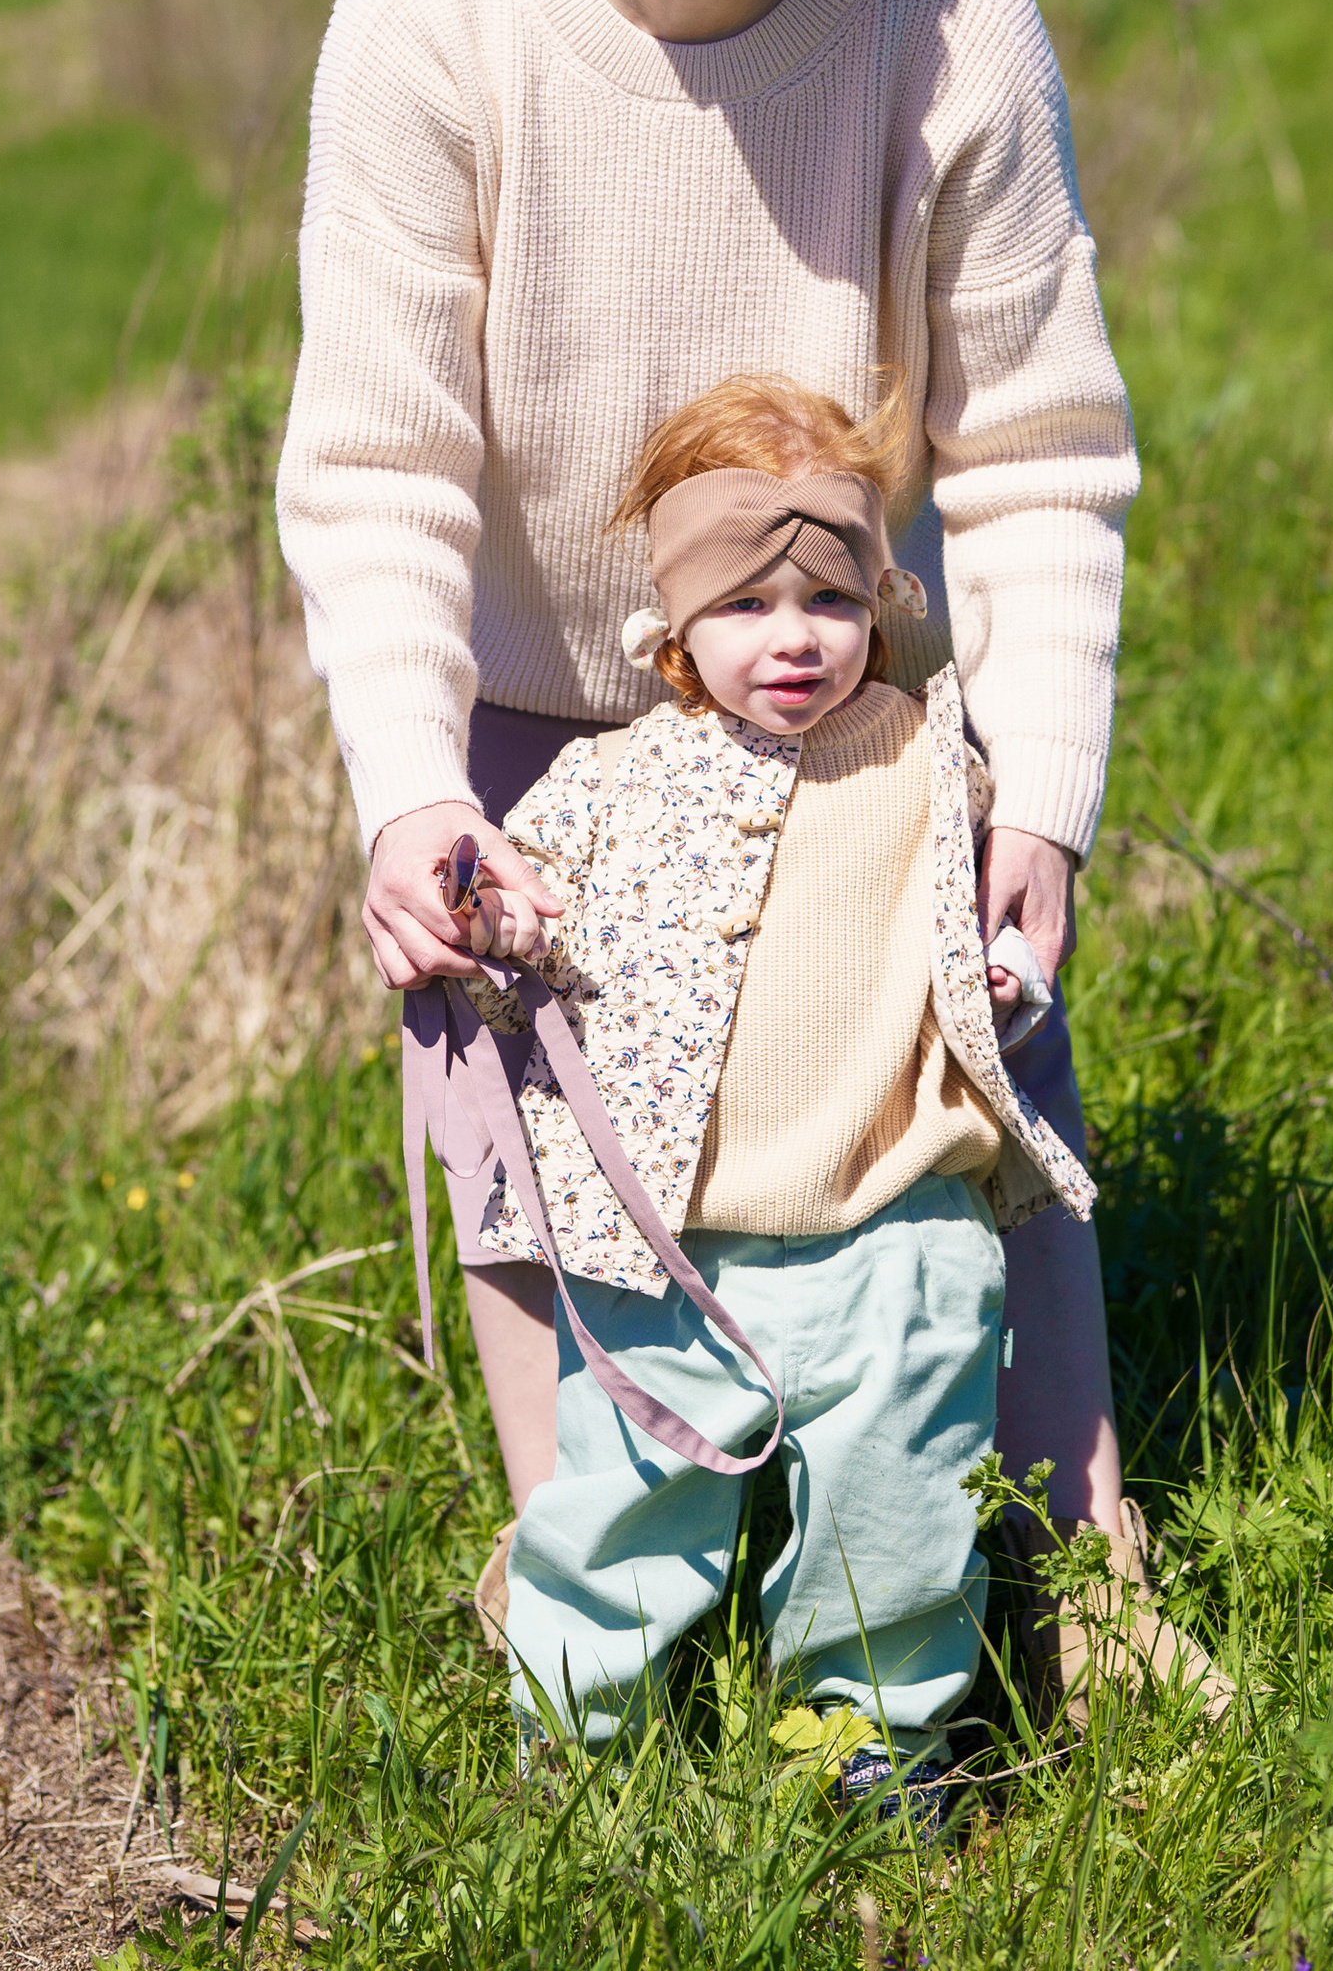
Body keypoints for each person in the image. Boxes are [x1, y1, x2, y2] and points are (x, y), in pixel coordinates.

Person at [276, 0, 1184, 1703]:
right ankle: (585, 1578)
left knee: (980, 1069)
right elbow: (379, 462)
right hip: (543, 686)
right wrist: (414, 795)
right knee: (515, 1103)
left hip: (832, 672)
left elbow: (1038, 450)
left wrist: (1032, 801)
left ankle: (1078, 1567)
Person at [453, 376, 1091, 1808]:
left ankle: (878, 1749)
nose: (794, 639)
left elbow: (990, 921)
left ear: (882, 603)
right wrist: (496, 930)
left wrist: (1003, 979)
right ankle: (573, 1751)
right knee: (616, 1509)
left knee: (901, 1508)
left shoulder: (932, 758)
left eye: (830, 601)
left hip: (894, 1223)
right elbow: (524, 960)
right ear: (676, 629)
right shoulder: (607, 784)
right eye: (745, 608)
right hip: (672, 1241)